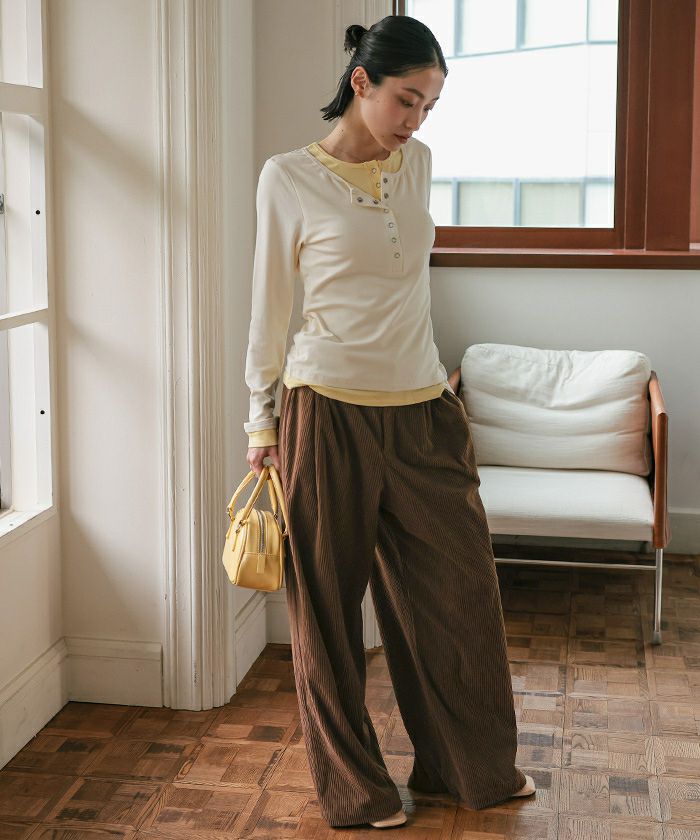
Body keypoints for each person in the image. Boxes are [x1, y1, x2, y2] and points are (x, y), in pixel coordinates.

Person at [243, 14, 535, 829]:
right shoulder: (287, 178)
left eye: (430, 106)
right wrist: (260, 424)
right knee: (327, 613)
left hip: (422, 411)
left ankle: (469, 768)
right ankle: (357, 790)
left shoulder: (419, 164)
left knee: (459, 599)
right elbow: (269, 310)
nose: (416, 119)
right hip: (325, 412)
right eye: (407, 99)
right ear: (361, 82)